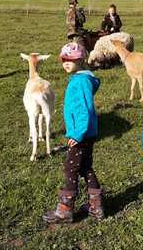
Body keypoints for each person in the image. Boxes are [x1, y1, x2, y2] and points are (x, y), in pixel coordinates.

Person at [43, 42, 104, 224]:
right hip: (85, 132)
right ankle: (96, 206)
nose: (66, 62)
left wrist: (77, 134)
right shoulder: (80, 79)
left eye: (71, 59)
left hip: (82, 134)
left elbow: (85, 110)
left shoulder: (82, 81)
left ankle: (65, 210)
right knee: (85, 167)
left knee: (71, 169)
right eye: (64, 59)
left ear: (81, 60)